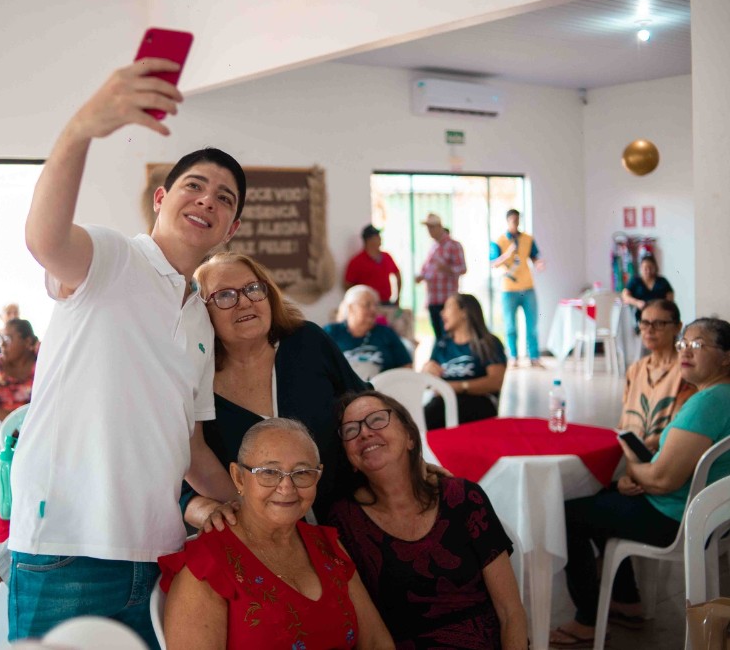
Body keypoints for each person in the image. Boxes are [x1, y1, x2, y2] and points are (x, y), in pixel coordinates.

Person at [11, 58, 244, 646]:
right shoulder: (114, 259)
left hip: (159, 552)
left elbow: (190, 448)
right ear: (161, 198)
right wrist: (81, 131)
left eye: (223, 198)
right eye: (194, 186)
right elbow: (44, 239)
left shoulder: (200, 317)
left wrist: (258, 504)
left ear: (231, 229)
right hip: (68, 546)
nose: (207, 200)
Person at [550, 317, 730, 648]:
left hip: (672, 516)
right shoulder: (719, 397)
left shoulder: (710, 401)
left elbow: (662, 480)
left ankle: (587, 620)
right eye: (683, 344)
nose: (685, 352)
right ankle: (626, 600)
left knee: (566, 513)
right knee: (603, 496)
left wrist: (632, 466)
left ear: (726, 357)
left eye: (697, 345)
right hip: (707, 514)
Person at [160, 418, 394, 650]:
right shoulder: (205, 566)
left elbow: (377, 643)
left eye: (302, 472)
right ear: (239, 477)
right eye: (269, 472)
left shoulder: (327, 545)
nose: (286, 487)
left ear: (317, 477)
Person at [328, 390, 527, 649]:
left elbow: (511, 613)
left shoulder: (464, 498)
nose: (364, 433)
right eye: (351, 430)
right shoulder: (343, 522)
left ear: (410, 437)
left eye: (377, 420)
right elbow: (371, 637)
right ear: (350, 459)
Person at [185, 252, 368, 527]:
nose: (244, 301)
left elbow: (364, 405)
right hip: (265, 537)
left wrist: (409, 465)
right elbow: (183, 480)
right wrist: (217, 512)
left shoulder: (308, 342)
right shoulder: (196, 381)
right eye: (224, 295)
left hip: (352, 518)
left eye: (253, 288)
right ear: (202, 313)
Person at [618, 299, 696, 451]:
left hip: (663, 456)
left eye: (659, 324)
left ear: (677, 327)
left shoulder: (685, 372)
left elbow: (679, 431)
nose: (649, 330)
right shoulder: (635, 369)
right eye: (644, 323)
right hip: (630, 453)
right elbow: (623, 422)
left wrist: (639, 448)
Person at [423, 294, 507, 429]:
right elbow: (427, 382)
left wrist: (459, 387)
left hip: (479, 403)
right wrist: (426, 370)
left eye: (448, 307)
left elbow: (496, 381)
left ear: (464, 312)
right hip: (443, 403)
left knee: (434, 412)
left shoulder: (488, 342)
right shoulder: (442, 345)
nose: (442, 313)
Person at [491, 209, 546, 368]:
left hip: (527, 287)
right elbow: (493, 263)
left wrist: (538, 263)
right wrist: (507, 254)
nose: (515, 223)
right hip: (509, 289)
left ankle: (534, 356)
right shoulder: (499, 241)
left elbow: (535, 256)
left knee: (532, 325)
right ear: (508, 221)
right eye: (512, 220)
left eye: (517, 220)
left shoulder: (528, 239)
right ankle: (513, 356)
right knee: (510, 326)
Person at [324, 285, 412, 382]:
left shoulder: (386, 333)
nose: (373, 310)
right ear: (351, 308)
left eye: (376, 305)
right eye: (367, 305)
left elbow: (407, 366)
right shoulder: (331, 332)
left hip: (382, 387)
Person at [415, 213, 466, 339]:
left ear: (439, 227)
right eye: (428, 228)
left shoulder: (453, 245)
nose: (429, 231)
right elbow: (428, 269)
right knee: (439, 337)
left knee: (449, 336)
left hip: (447, 299)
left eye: (432, 227)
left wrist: (447, 269)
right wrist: (422, 276)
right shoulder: (433, 247)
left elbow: (462, 268)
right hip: (433, 299)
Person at [345, 224, 401, 306]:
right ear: (369, 240)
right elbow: (348, 284)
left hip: (386, 303)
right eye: (377, 236)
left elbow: (397, 275)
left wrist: (398, 297)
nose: (380, 238)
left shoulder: (387, 257)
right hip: (366, 305)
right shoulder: (357, 261)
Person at [621, 255, 674, 324]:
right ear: (641, 268)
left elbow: (670, 298)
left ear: (655, 267)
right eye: (645, 268)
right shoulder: (635, 281)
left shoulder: (662, 281)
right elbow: (625, 296)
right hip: (641, 316)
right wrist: (637, 303)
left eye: (650, 268)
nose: (648, 271)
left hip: (660, 316)